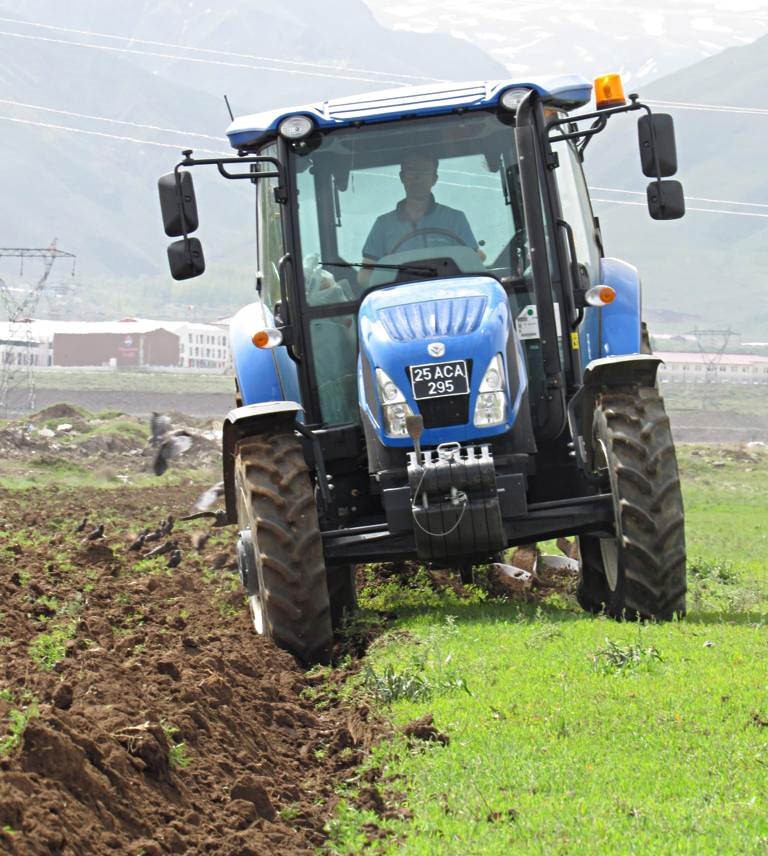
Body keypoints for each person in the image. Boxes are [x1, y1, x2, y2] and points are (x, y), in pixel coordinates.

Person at [358, 152, 485, 287]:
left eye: (424, 171)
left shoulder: (455, 219)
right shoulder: (383, 225)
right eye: (411, 170)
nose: (417, 177)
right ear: (402, 177)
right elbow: (366, 273)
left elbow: (476, 259)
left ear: (434, 179)